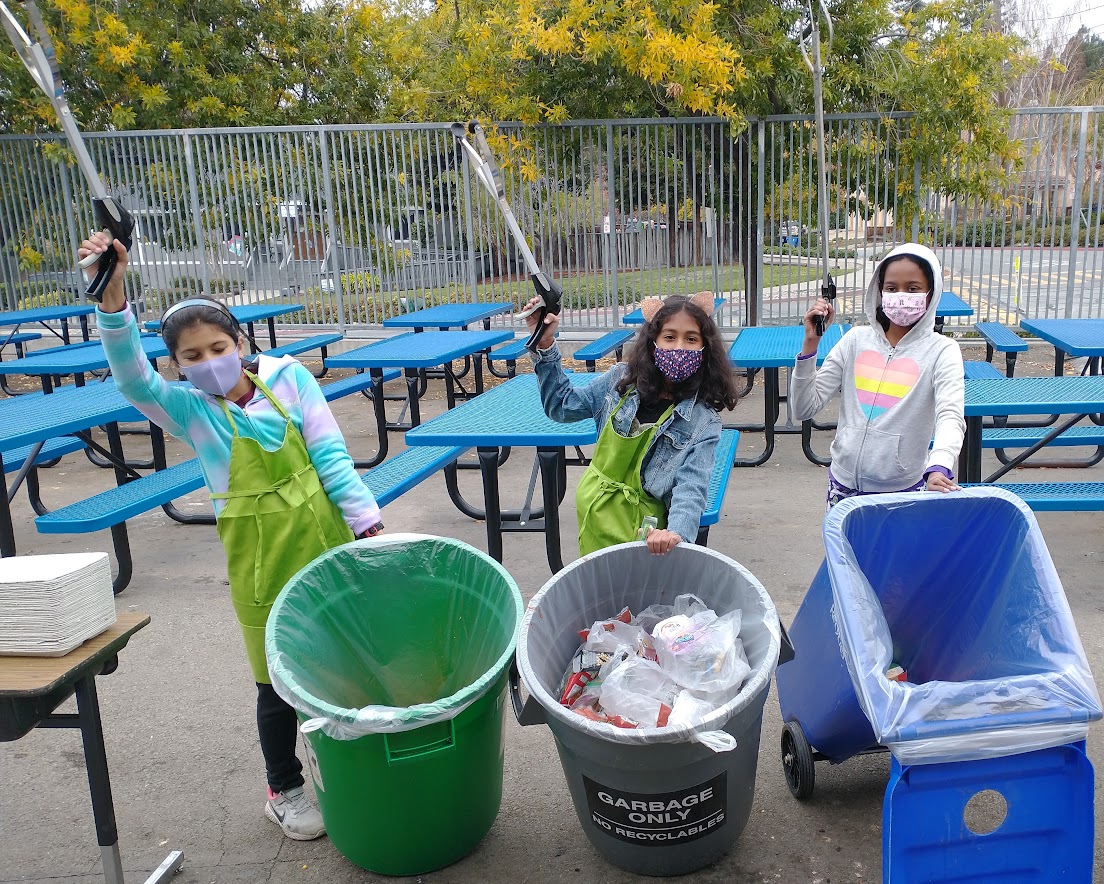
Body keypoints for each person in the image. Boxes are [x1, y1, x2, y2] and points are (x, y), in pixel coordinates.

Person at [79, 232, 383, 841]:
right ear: (179, 366)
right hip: (260, 564)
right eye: (191, 356)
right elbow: (133, 381)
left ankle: (344, 760)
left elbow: (330, 455)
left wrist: (367, 526)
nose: (208, 360)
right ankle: (285, 788)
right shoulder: (191, 410)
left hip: (325, 542)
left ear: (240, 343)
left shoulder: (290, 379)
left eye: (218, 346)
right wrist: (111, 299)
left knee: (343, 657)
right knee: (274, 682)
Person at [525, 290, 738, 556]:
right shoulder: (618, 381)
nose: (679, 347)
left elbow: (691, 488)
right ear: (653, 342)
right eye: (669, 337)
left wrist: (676, 534)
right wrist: (544, 344)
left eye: (691, 339)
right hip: (594, 516)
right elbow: (562, 406)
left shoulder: (703, 422)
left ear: (705, 349)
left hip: (647, 536)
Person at [790, 242, 965, 508]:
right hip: (842, 490)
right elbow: (804, 408)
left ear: (931, 294)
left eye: (913, 288)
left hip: (901, 494)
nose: (901, 296)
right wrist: (810, 345)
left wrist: (940, 464)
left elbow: (950, 415)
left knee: (897, 552)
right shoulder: (855, 340)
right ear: (879, 292)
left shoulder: (942, 351)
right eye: (892, 288)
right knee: (842, 551)